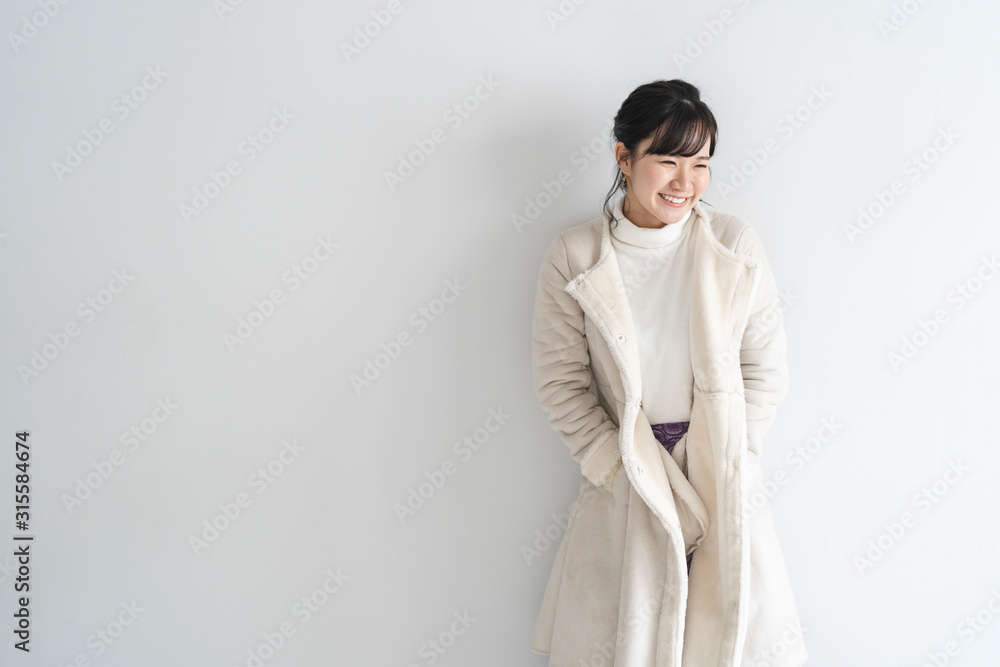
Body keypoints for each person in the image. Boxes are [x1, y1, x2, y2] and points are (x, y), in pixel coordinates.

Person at [529, 79, 807, 666]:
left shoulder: (733, 243)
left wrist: (732, 456)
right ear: (624, 157)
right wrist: (613, 467)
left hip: (718, 475)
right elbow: (561, 385)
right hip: (629, 477)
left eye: (701, 164)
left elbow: (765, 370)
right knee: (628, 643)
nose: (686, 181)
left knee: (726, 641)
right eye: (668, 160)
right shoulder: (575, 255)